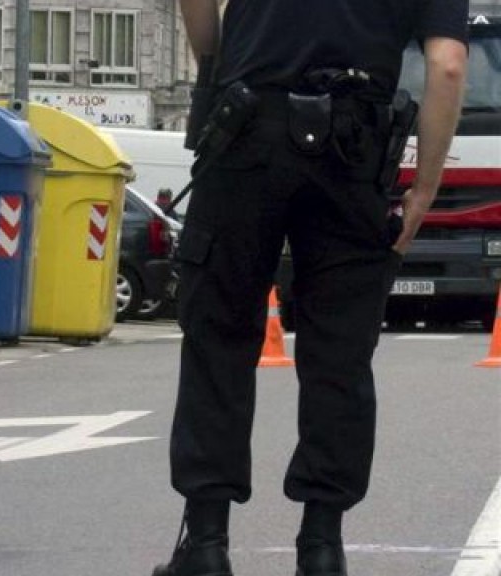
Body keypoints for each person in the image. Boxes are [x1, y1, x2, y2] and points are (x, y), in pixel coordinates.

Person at [152, 1, 468, 576]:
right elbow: (447, 65)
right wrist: (423, 192)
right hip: (354, 150)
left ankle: (205, 543)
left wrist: (217, 62)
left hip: (245, 130)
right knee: (339, 355)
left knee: (218, 338)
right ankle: (321, 545)